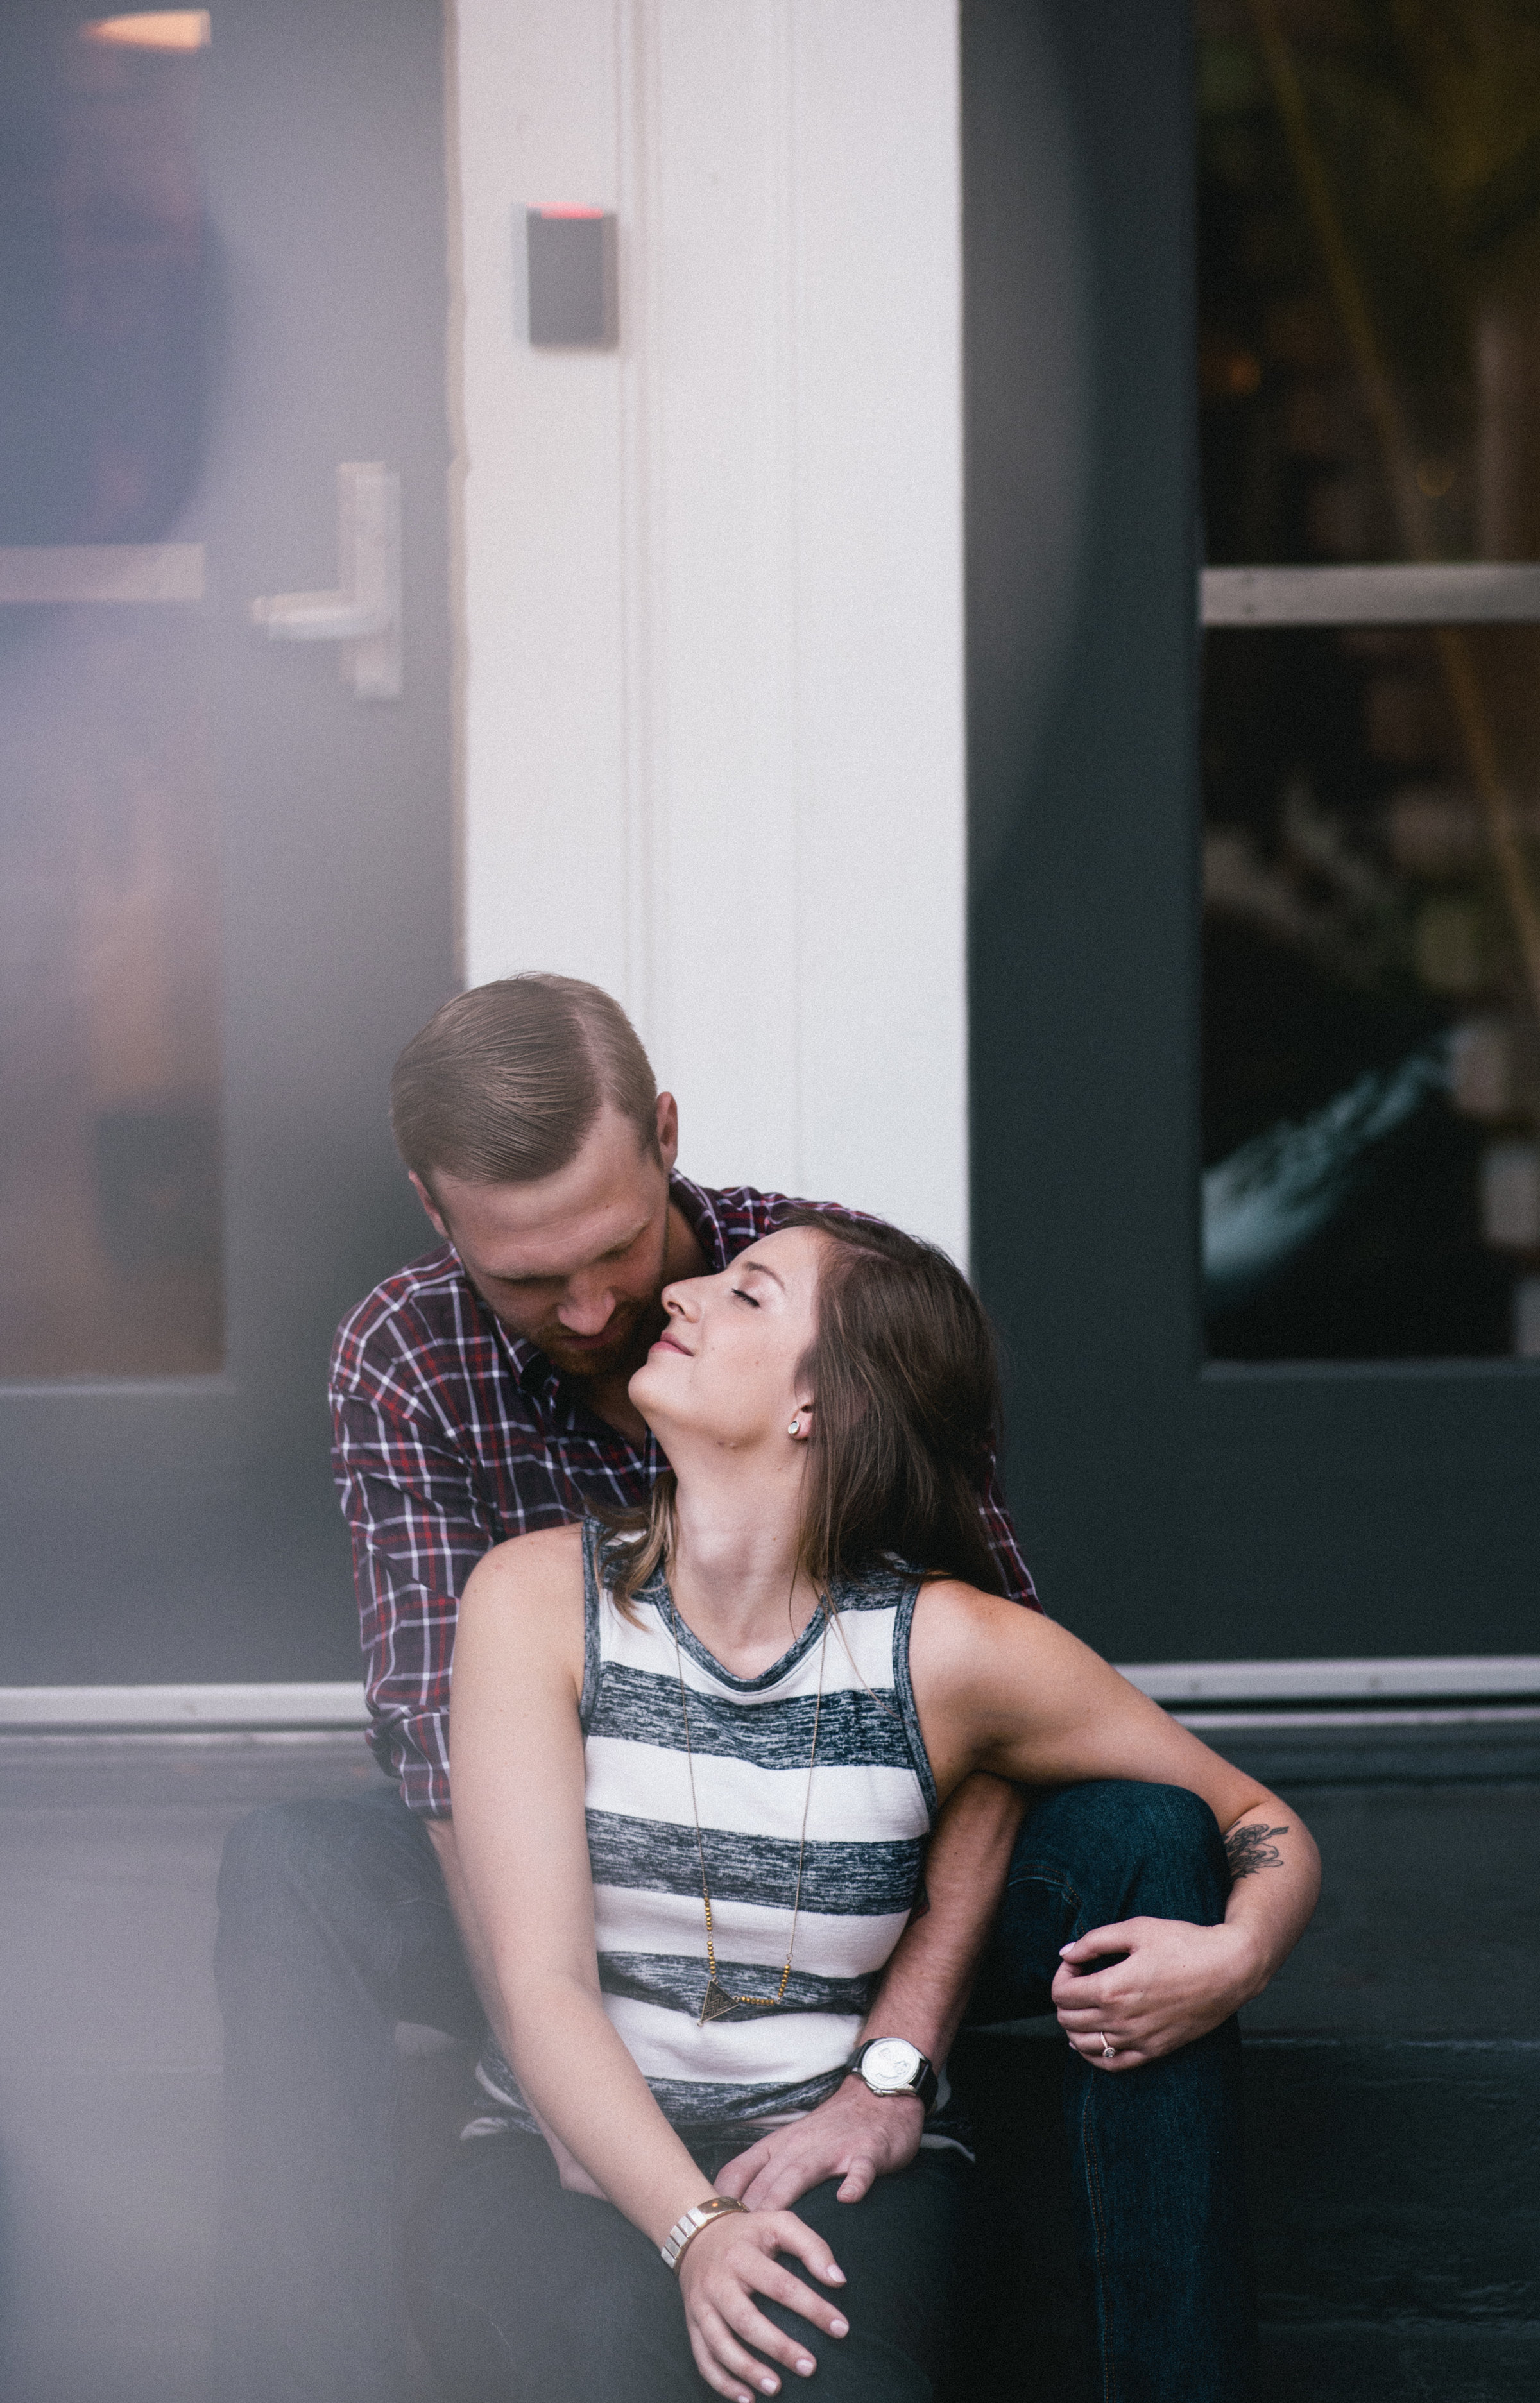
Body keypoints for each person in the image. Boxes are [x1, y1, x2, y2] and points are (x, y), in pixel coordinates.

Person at [211, 974, 1298, 2403]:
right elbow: (436, 1755)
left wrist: (893, 2058)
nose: (599, 1307)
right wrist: (580, 2094)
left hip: (854, 1871)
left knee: (1149, 1845)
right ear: (436, 1209)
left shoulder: (828, 1302)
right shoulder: (408, 1360)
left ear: (662, 1132)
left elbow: (980, 1711)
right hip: (559, 1856)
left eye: (612, 1249)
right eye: (528, 1281)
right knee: (292, 1874)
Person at [419, 1211, 1320, 2402]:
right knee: (606, 2364)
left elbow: (1254, 1815)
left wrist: (1242, 1950)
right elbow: (540, 1984)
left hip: (835, 2165)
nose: (682, 1295)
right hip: (555, 2170)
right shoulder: (535, 1602)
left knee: (837, 2384)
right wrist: (695, 2228)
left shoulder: (947, 1650)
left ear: (819, 1409)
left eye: (747, 1296)